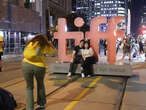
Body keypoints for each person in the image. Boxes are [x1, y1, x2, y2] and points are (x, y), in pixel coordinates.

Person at [22, 34, 55, 110]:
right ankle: (41, 104)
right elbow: (53, 53)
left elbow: (24, 53)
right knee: (40, 85)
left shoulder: (31, 43)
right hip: (39, 67)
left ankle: (29, 108)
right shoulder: (44, 45)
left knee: (29, 87)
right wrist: (50, 44)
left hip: (26, 64)